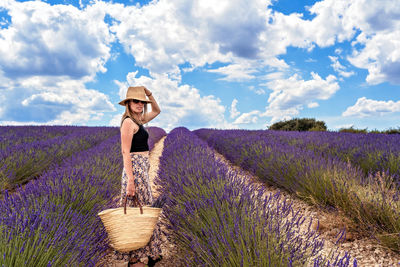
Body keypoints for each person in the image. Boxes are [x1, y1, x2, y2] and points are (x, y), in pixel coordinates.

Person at [113, 86, 162, 267]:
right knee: (136, 213)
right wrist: (131, 182)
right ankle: (133, 259)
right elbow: (125, 153)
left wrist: (149, 94)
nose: (140, 104)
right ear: (128, 104)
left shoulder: (139, 120)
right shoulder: (128, 122)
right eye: (136, 101)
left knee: (143, 211)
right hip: (134, 173)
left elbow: (157, 110)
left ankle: (148, 253)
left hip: (142, 171)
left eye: (142, 101)